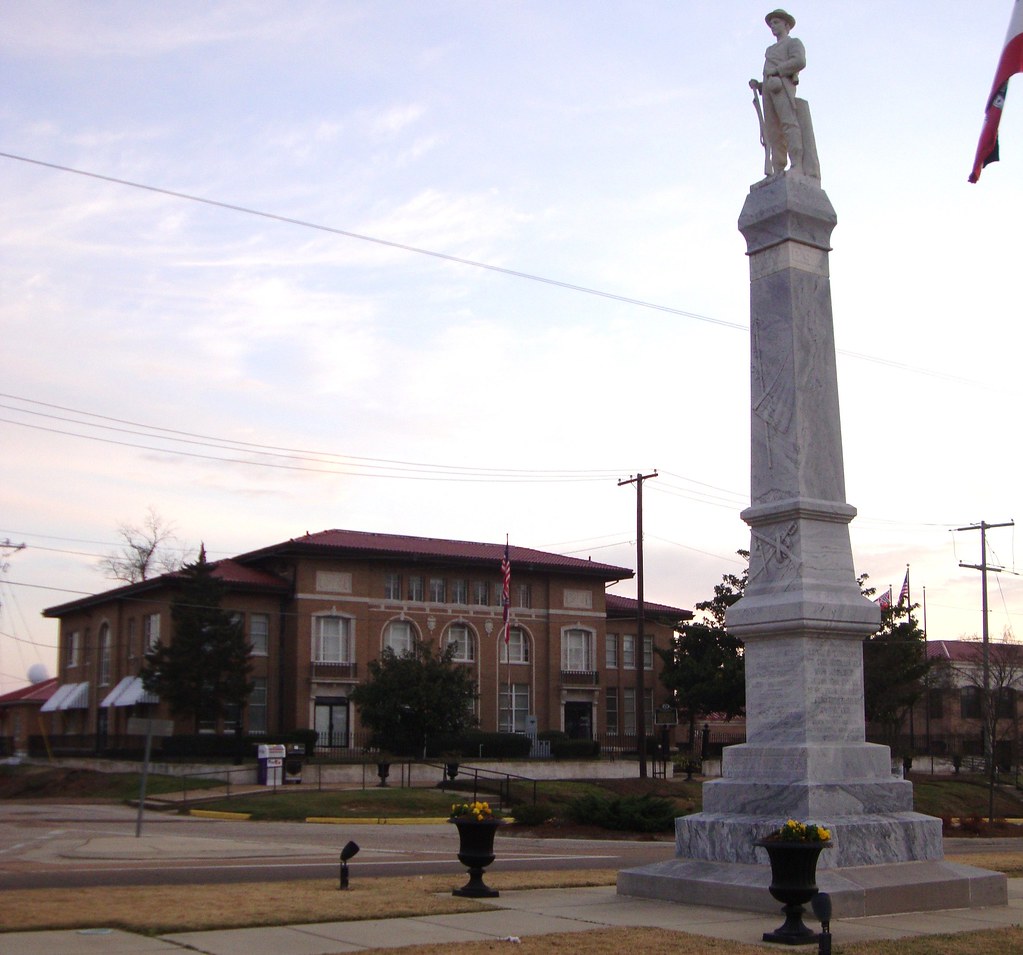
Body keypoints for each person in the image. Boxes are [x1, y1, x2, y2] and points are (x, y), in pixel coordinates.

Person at [749, 10, 816, 177]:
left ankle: (797, 165)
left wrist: (778, 70)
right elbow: (769, 72)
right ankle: (778, 168)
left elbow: (799, 61)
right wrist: (760, 85)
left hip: (782, 86)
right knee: (772, 131)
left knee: (788, 124)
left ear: (786, 25)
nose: (773, 26)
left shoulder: (793, 43)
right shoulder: (770, 49)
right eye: (771, 23)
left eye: (776, 22)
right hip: (768, 89)